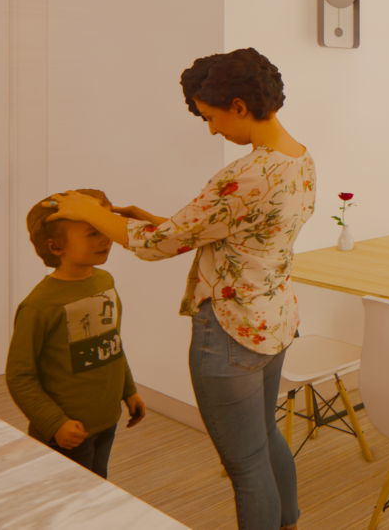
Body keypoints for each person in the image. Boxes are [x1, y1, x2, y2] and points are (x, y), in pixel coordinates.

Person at [43, 48, 314, 530]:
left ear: (236, 105)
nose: (212, 131)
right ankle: (289, 523)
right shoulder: (298, 160)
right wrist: (147, 219)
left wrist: (90, 213)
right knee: (266, 438)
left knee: (246, 467)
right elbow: (235, 231)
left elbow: (155, 248)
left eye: (211, 118)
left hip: (230, 333)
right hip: (273, 321)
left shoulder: (246, 173)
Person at [7, 188, 147, 478]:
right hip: (67, 430)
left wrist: (128, 389)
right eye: (92, 232)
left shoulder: (104, 280)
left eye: (105, 226)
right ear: (55, 247)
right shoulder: (39, 306)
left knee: (97, 488)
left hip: (106, 419)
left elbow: (110, 342)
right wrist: (55, 423)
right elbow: (20, 376)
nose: (106, 238)